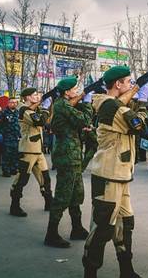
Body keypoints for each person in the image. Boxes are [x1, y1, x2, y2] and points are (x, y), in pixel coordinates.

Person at [83, 64, 148, 278]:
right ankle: (90, 271)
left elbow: (138, 107)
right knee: (103, 227)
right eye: (129, 82)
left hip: (120, 175)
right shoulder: (109, 107)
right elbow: (140, 125)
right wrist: (141, 98)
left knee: (125, 224)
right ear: (117, 84)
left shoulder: (116, 104)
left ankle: (126, 270)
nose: (132, 84)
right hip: (108, 176)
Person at [44, 77, 93, 248]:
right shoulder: (62, 105)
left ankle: (77, 227)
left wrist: (82, 100)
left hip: (72, 154)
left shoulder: (64, 104)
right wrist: (87, 102)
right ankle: (51, 234)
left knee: (76, 193)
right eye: (74, 88)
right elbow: (85, 120)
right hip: (67, 155)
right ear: (67, 92)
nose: (76, 91)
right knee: (63, 194)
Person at [9, 88, 53, 217]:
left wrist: (50, 104)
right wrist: (44, 107)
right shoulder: (23, 109)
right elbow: (39, 121)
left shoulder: (34, 109)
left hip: (38, 150)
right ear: (27, 97)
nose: (38, 96)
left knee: (45, 178)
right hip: (28, 150)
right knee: (21, 179)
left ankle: (49, 202)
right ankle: (15, 206)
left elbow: (47, 122)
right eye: (34, 95)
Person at [0, 97, 20, 177]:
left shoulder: (18, 112)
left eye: (15, 102)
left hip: (16, 136)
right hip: (7, 136)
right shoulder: (4, 112)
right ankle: (6, 170)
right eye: (11, 102)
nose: (13, 104)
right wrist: (2, 133)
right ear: (8, 103)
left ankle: (13, 168)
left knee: (15, 154)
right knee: (7, 154)